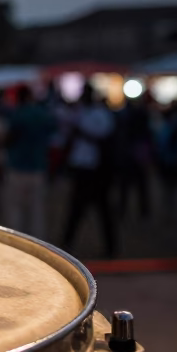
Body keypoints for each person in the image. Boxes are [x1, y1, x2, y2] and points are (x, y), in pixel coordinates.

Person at [60, 87, 118, 257]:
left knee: (102, 209)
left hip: (96, 169)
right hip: (82, 168)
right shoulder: (81, 113)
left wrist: (81, 131)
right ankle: (67, 243)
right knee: (76, 208)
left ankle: (110, 248)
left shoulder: (101, 114)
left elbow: (103, 134)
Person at [2, 86, 55, 238]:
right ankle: (37, 243)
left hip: (17, 166)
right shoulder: (43, 114)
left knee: (15, 209)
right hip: (38, 166)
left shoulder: (18, 114)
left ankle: (16, 240)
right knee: (37, 210)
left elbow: (9, 139)